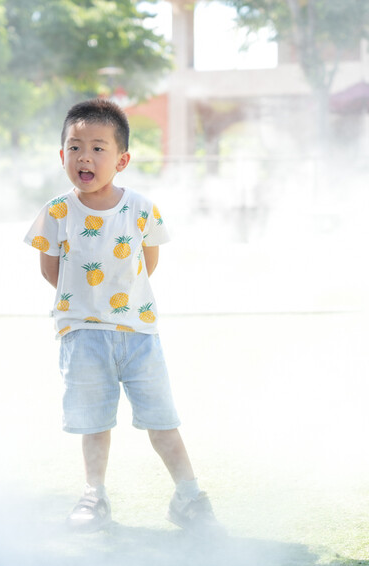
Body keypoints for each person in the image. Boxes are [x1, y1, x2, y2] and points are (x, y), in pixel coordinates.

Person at [24, 99, 224, 536]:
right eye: (75, 147)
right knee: (94, 423)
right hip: (82, 335)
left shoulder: (141, 209)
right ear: (62, 156)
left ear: (122, 159)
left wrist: (118, 304)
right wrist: (85, 306)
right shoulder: (57, 211)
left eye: (98, 147)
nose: (85, 157)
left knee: (162, 420)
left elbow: (148, 263)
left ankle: (188, 497)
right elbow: (50, 270)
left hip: (138, 333)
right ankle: (94, 496)